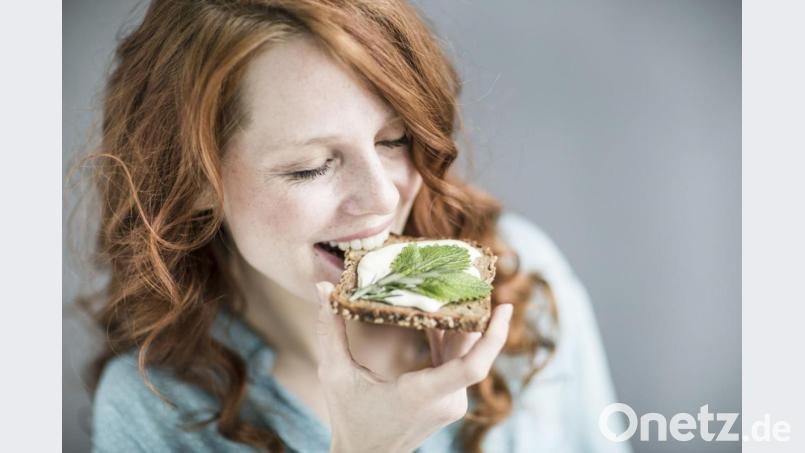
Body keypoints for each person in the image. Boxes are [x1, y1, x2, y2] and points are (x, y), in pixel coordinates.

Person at [79, 1, 630, 452]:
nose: (384, 197)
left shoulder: (521, 273)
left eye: (394, 141)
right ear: (195, 179)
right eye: (310, 166)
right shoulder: (155, 409)